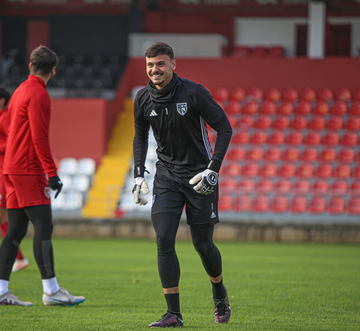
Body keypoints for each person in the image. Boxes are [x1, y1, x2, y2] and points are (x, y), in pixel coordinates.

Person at [132, 42, 232, 327]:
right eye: (150, 65)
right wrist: (139, 174)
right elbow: (140, 137)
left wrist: (213, 169)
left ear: (173, 64)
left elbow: (225, 128)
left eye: (161, 64)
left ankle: (219, 293)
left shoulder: (194, 92)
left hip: (201, 177)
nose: (155, 70)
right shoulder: (142, 99)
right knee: (164, 239)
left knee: (203, 245)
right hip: (166, 177)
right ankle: (173, 314)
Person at [0, 45, 85, 307]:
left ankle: (1, 291)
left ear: (30, 66)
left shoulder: (18, 92)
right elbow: (39, 136)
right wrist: (52, 172)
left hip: (11, 168)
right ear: (54, 71)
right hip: (28, 168)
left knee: (15, 229)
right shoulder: (39, 94)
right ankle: (51, 290)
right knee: (44, 226)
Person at [0, 85, 29, 273]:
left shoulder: (5, 117)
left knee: (4, 216)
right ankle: (17, 257)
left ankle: (18, 257)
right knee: (3, 217)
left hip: (4, 173)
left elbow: (13, 142)